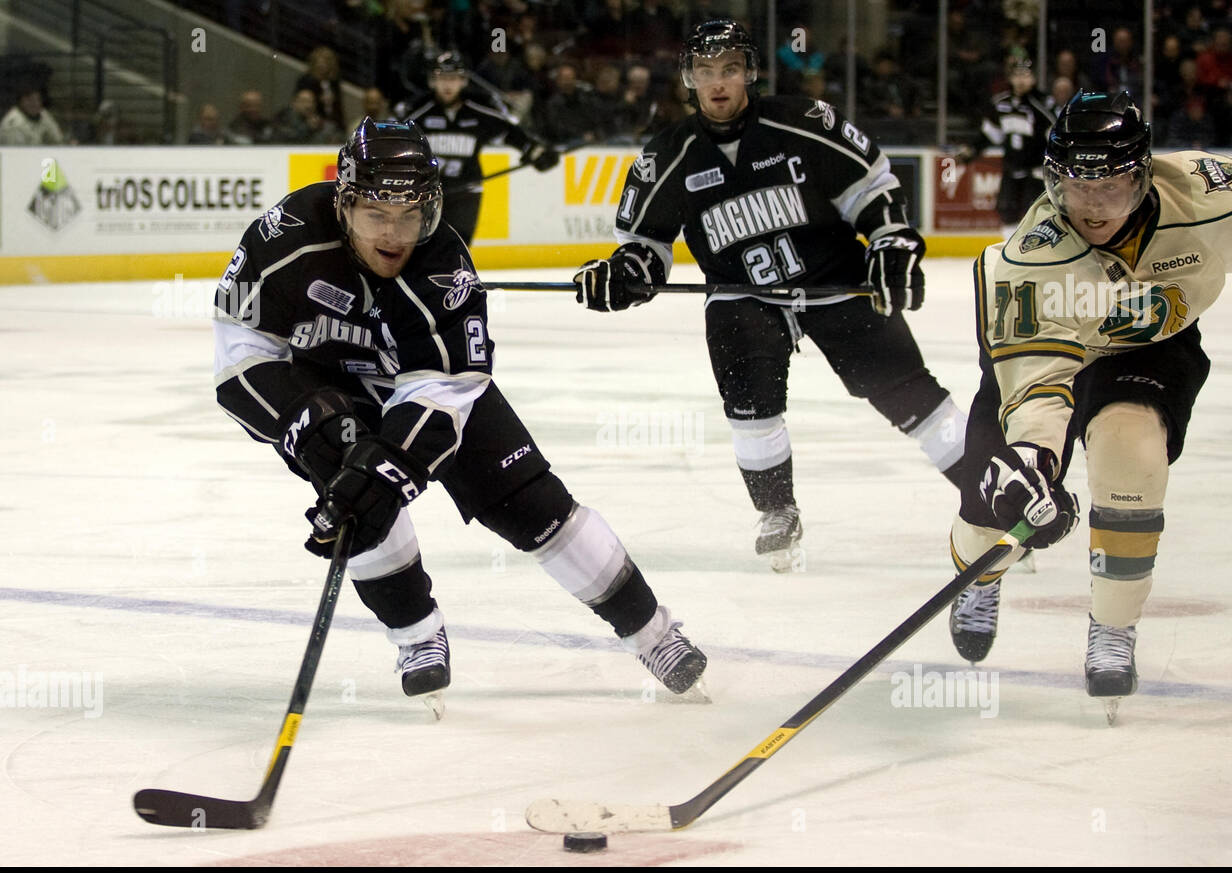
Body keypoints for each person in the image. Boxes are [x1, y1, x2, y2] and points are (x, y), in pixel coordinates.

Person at [212, 119, 707, 712]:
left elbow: (448, 385)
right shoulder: (284, 237)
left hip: (428, 389)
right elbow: (240, 352)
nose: (396, 234)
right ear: (344, 206)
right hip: (328, 388)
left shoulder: (443, 258)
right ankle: (416, 636)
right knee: (354, 502)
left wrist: (393, 462)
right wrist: (302, 421)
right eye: (378, 215)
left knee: (534, 506)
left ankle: (653, 634)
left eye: (410, 215)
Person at [945, 90, 1232, 713]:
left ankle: (1113, 627)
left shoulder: (1210, 196)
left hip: (1151, 349)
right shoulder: (1034, 257)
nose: (1090, 205)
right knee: (993, 509)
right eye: (1074, 186)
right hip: (1051, 355)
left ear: (1142, 175)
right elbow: (1038, 381)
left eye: (1109, 186)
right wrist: (1033, 460)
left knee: (1132, 458)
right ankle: (984, 574)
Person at [573, 19, 967, 571]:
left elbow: (871, 187)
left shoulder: (802, 122)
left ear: (749, 73)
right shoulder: (668, 155)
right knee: (751, 406)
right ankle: (777, 509)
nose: (718, 83)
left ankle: (988, 489)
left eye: (729, 69)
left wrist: (891, 239)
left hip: (834, 280)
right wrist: (622, 276)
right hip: (743, 294)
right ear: (689, 78)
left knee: (911, 395)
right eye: (706, 71)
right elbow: (645, 246)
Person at [393, 50, 559, 243]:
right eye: (442, 78)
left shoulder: (480, 109)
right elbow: (393, 140)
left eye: (453, 78)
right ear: (432, 80)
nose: (448, 84)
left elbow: (509, 133)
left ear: (463, 81)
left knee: (459, 244)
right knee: (423, 245)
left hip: (467, 190)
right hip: (426, 192)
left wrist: (535, 151)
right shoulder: (416, 111)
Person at [956, 59, 1056, 239]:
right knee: (1006, 210)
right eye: (1017, 75)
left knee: (1033, 212)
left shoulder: (1043, 104)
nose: (1021, 80)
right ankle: (1010, 251)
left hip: (1036, 171)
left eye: (1025, 75)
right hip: (1011, 167)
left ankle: (1034, 252)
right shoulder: (1001, 104)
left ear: (1033, 79)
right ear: (1010, 78)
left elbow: (1055, 137)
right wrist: (971, 150)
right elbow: (989, 135)